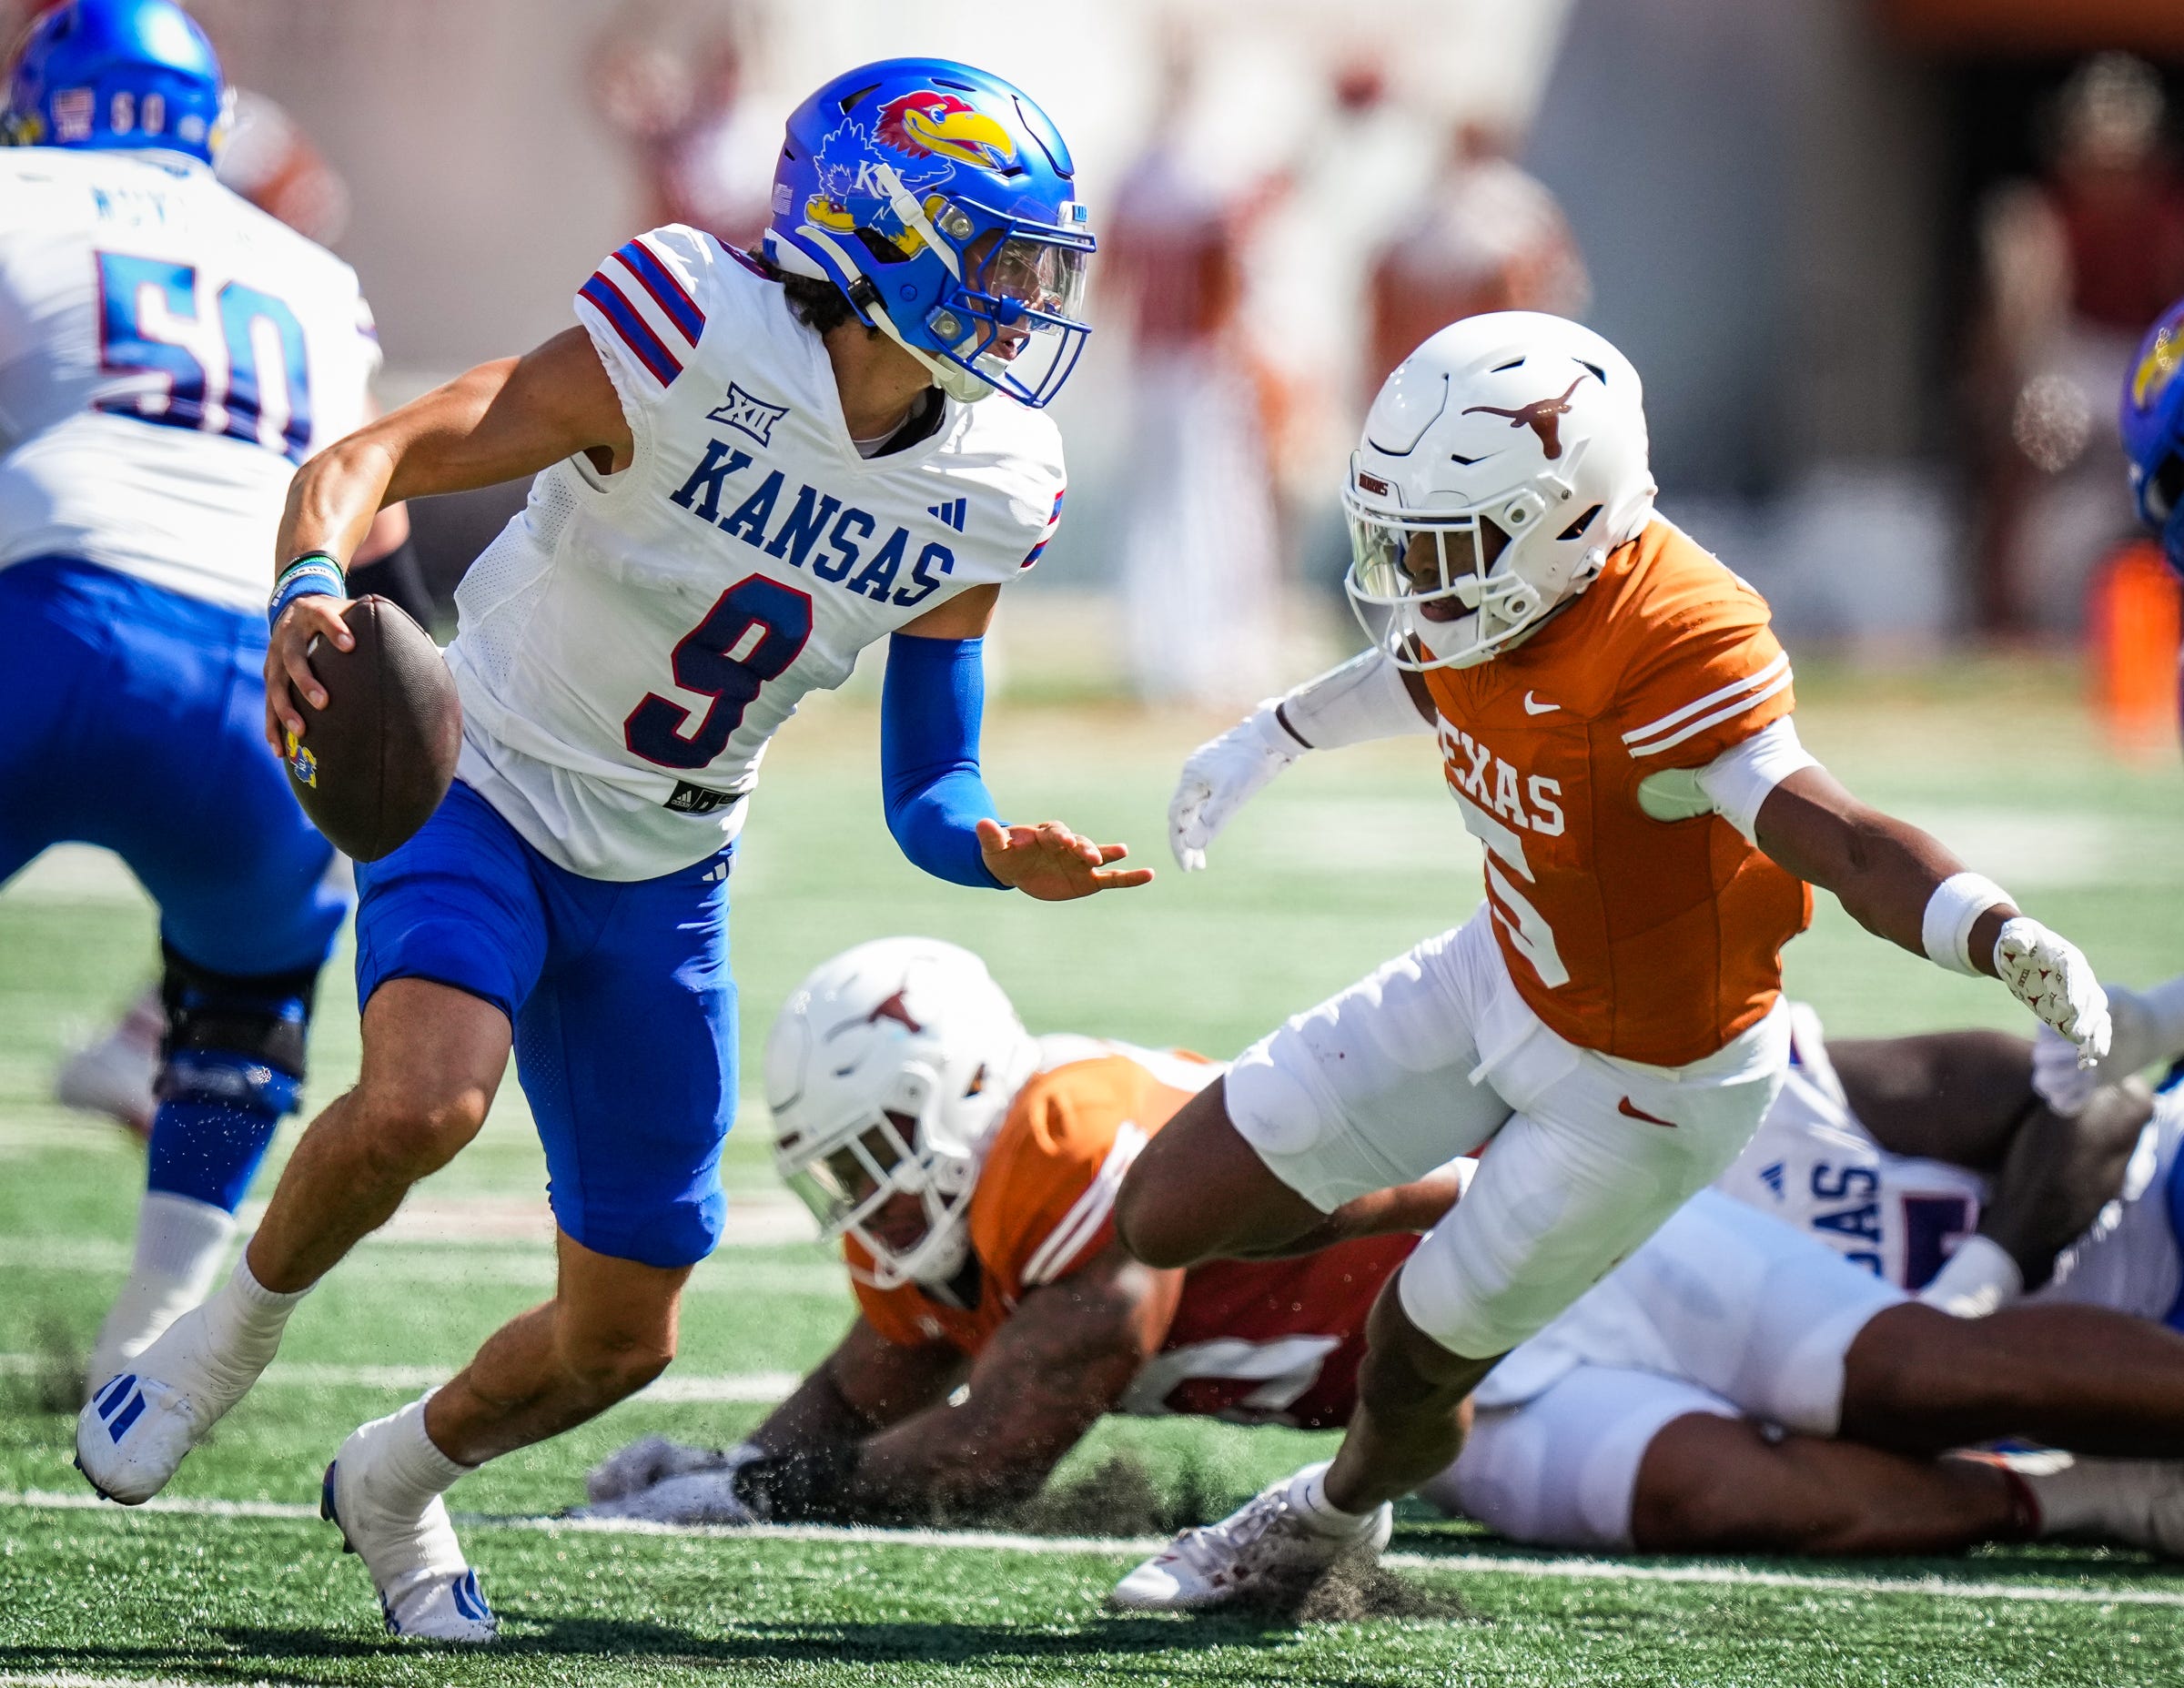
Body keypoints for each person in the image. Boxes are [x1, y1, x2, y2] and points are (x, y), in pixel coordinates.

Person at [75, 58, 1144, 1643]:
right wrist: (307, 583)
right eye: (991, 257)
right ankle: (217, 1337)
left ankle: (391, 1482)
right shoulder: (696, 329)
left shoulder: (996, 479)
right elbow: (370, 460)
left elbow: (932, 784)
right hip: (484, 778)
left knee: (623, 1339)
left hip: (666, 868)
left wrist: (995, 846)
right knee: (429, 1099)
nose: (1017, 304)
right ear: (876, 231)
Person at [1105, 310, 2112, 1611]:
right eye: (1397, 538)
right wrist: (1275, 732)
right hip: (1502, 968)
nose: (1412, 577)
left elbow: (1839, 835)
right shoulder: (1486, 600)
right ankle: (1465, 1180)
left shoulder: (1676, 636)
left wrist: (1989, 925)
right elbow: (1433, 660)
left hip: (1647, 1084)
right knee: (1167, 1205)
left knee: (1411, 1351)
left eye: (1446, 546)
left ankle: (1327, 1517)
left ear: (1566, 522)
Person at [581, 942, 2184, 1570]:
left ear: (955, 1104)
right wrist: (726, 1469)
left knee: (1900, 1374)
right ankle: (2099, 1498)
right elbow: (872, 1384)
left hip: (1551, 1259)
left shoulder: (1068, 1136)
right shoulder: (961, 1215)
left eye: (872, 1154)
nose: (866, 1201)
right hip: (1452, 1413)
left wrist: (758, 1495)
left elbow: (998, 1444)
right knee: (1717, 1503)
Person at [0, 1, 379, 1393]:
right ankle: (148, 1344)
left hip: (48, 624)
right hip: (265, 686)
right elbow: (370, 538)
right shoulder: (306, 271)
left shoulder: (15, 191)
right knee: (247, 994)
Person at [1423, 1002, 2184, 1557]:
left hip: (2163, 1199)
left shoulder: (1713, 1092)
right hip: (2126, 1424)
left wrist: (1973, 1290)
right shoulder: (1596, 1325)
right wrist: (2101, 1495)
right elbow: (1744, 1487)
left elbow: (2103, 1100)